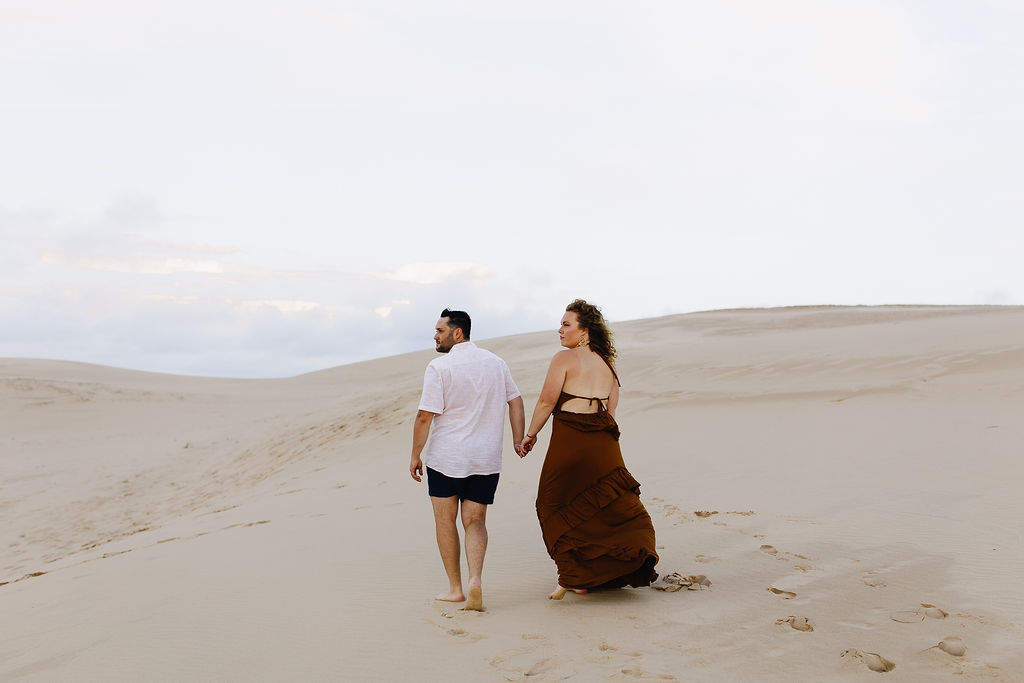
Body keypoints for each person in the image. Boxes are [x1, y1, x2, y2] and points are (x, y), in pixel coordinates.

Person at [520, 299, 658, 599]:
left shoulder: (563, 359)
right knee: (611, 504)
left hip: (571, 436)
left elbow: (546, 401)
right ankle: (596, 574)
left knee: (551, 503)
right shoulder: (607, 363)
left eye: (566, 324)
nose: (560, 330)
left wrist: (530, 435)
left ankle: (572, 576)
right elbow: (611, 410)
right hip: (604, 440)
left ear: (584, 331)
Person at [410, 308, 525, 612]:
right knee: (475, 521)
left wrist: (414, 454)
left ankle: (456, 589)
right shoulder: (496, 363)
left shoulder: (439, 367)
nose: (435, 336)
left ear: (457, 332)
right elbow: (515, 400)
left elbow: (425, 416)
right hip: (485, 458)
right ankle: (476, 579)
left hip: (446, 457)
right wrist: (517, 439)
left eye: (440, 330)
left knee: (445, 520)